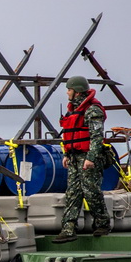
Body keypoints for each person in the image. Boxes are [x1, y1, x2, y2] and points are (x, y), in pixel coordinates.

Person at [53, 75, 110, 243]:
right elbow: (69, 135)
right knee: (72, 192)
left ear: (77, 92)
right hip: (74, 156)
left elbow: (96, 136)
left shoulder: (93, 110)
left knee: (91, 191)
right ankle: (68, 228)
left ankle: (102, 223)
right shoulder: (73, 110)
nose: (67, 93)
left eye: (69, 90)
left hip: (88, 156)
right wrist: (66, 154)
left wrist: (91, 158)